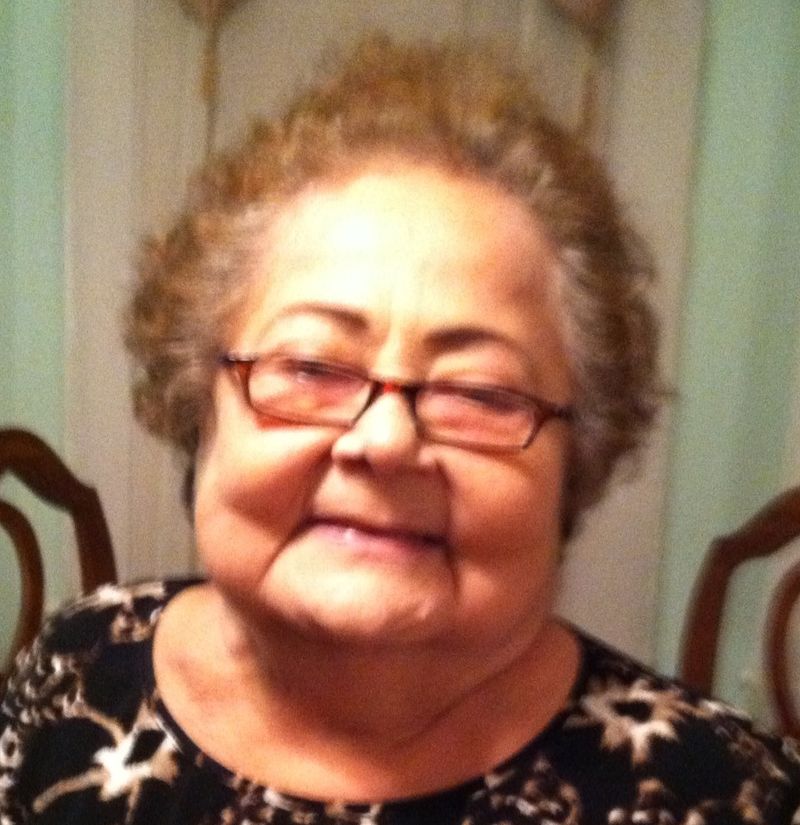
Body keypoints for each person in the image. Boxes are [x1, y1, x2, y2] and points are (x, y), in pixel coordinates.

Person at [1, 35, 798, 825]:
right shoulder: (83, 657)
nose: (384, 442)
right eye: (311, 366)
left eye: (480, 392)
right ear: (198, 410)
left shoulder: (725, 795)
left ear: (575, 464)